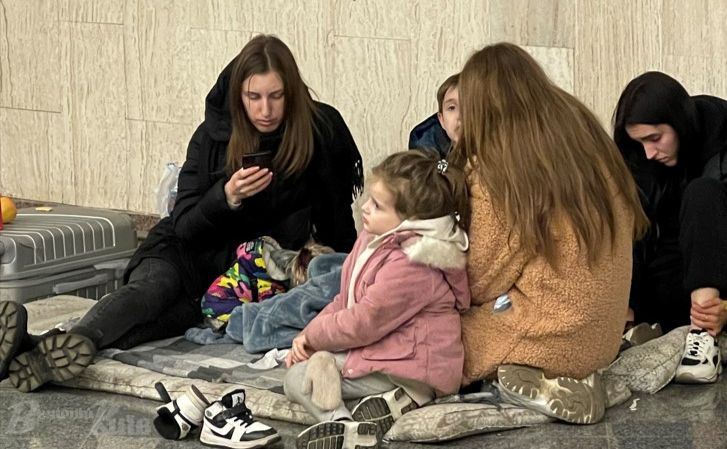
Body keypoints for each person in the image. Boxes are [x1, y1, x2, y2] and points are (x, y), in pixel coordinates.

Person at [0, 34, 363, 393]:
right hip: (179, 251)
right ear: (238, 95)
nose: (265, 110)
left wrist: (350, 284)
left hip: (230, 283)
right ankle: (78, 338)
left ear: (292, 93)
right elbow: (185, 224)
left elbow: (338, 226)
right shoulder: (212, 136)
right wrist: (227, 196)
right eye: (253, 97)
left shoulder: (321, 132)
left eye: (276, 96)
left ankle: (33, 348)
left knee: (159, 326)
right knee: (152, 293)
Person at [453, 43, 648, 424]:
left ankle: (530, 379)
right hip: (602, 335)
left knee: (429, 339)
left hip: (549, 337)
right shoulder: (580, 128)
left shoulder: (502, 160)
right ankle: (572, 382)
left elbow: (479, 280)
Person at [283, 151, 470, 448]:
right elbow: (345, 300)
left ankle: (346, 427)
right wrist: (307, 337)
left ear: (412, 221)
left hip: (413, 369)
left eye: (378, 205)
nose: (364, 207)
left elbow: (364, 321)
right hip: (386, 354)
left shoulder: (414, 263)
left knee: (299, 378)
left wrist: (316, 339)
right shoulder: (373, 239)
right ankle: (379, 409)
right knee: (302, 372)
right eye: (369, 199)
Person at [613, 71, 727, 384]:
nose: (649, 153)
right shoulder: (645, 161)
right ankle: (636, 330)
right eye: (640, 142)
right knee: (627, 213)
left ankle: (703, 338)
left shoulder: (720, 135)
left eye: (654, 139)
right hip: (675, 295)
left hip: (719, 288)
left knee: (702, 193)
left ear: (679, 122)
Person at [408, 73, 460, 157]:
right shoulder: (424, 142)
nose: (460, 116)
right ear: (441, 119)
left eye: (469, 106)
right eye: (451, 108)